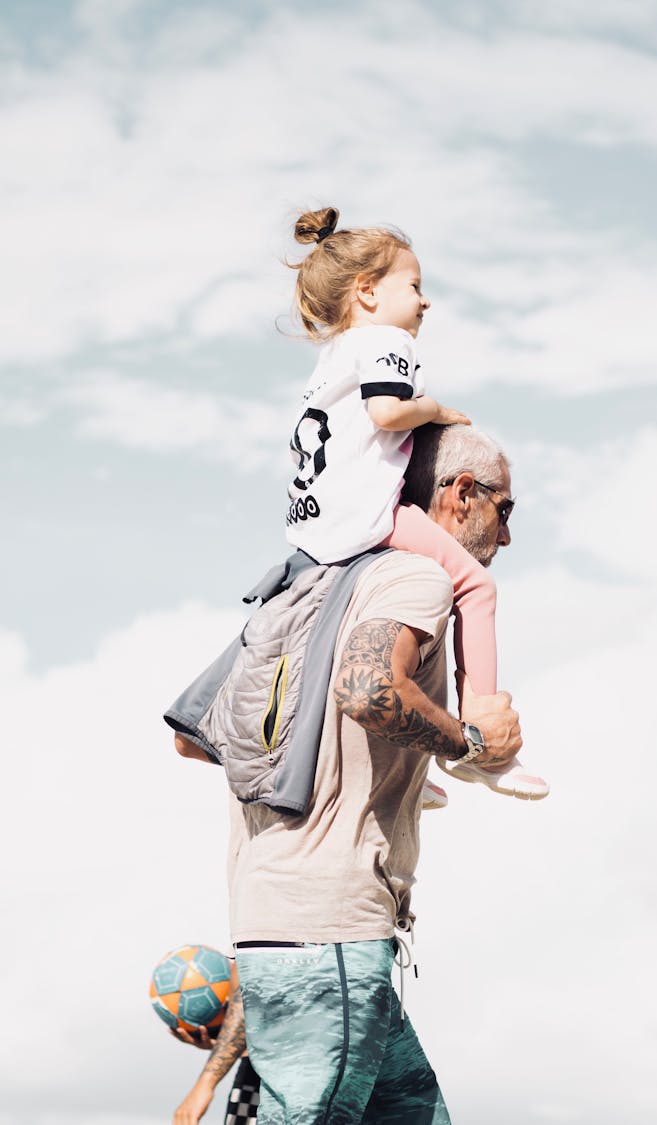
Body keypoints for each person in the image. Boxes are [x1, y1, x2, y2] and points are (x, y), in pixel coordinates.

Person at [176, 422, 528, 1124]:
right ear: (459, 496)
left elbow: (197, 739)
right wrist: (467, 740)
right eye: (505, 509)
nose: (508, 535)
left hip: (283, 925)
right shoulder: (417, 576)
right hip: (329, 938)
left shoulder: (305, 590)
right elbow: (369, 692)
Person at [284, 206, 546, 799]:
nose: (424, 302)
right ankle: (482, 731)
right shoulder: (385, 340)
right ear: (368, 292)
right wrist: (432, 408)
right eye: (415, 286)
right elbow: (387, 412)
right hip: (364, 516)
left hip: (314, 524)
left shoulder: (333, 358)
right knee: (476, 586)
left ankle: (407, 757)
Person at [171, 966, 259, 1125]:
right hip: (263, 1067)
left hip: (266, 1078)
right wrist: (226, 1044)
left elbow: (247, 999)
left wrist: (205, 1083)